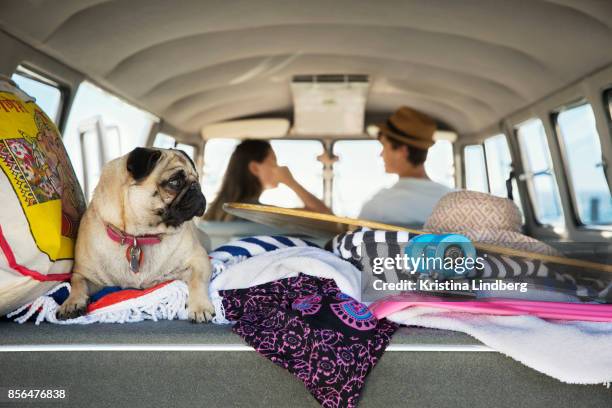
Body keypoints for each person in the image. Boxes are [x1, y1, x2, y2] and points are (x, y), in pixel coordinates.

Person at [358, 106, 453, 225]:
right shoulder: (455, 202)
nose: (381, 154)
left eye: (384, 146)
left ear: (403, 151)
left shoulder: (379, 206)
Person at [204, 139, 331, 221]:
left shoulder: (213, 213)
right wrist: (291, 182)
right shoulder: (261, 215)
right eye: (273, 161)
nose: (278, 166)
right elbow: (324, 216)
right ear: (254, 168)